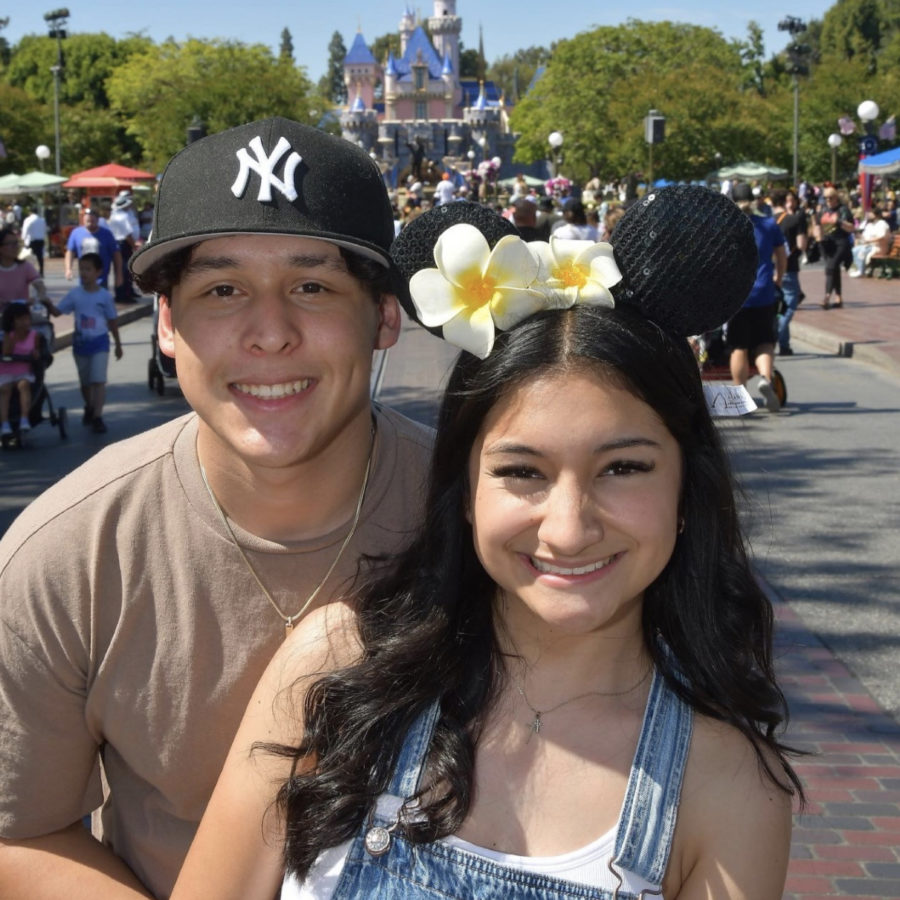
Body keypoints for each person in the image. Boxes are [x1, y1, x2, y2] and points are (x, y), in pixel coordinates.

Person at [169, 191, 800, 900]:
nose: (568, 528)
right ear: (464, 489)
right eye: (522, 472)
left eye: (623, 468)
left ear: (688, 488)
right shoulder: (339, 671)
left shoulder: (728, 787)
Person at [0, 117, 433, 898]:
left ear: (386, 317)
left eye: (313, 286)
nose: (270, 332)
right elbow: (19, 832)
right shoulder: (66, 556)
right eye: (222, 290)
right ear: (168, 323)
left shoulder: (487, 522)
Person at [728, 182, 787, 412]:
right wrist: (778, 280)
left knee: (738, 345)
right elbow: (782, 257)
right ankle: (765, 378)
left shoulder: (728, 229)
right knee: (764, 341)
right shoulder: (769, 224)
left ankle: (740, 399)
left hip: (737, 295)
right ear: (754, 200)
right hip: (763, 292)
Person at [50, 252, 123, 433]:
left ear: (98, 272)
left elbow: (112, 321)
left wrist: (118, 344)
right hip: (81, 344)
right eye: (81, 269)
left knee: (98, 380)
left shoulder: (104, 296)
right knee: (85, 383)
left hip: (100, 343)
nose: (83, 273)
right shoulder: (75, 295)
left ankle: (97, 416)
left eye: (88, 269)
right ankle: (89, 406)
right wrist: (44, 300)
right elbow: (58, 312)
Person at [771, 188, 808, 355]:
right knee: (789, 307)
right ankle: (775, 334)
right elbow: (801, 245)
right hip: (790, 267)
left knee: (780, 306)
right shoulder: (795, 220)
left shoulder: (768, 221)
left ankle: (785, 346)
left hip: (771, 268)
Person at [0, 302, 40, 435]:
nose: (24, 322)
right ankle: (4, 422)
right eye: (20, 319)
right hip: (7, 371)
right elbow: (6, 353)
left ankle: (24, 418)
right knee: (5, 389)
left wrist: (35, 354)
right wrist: (13, 337)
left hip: (23, 371)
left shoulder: (34, 335)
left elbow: (37, 352)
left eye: (26, 318)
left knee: (24, 385)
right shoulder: (9, 336)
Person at [64, 206, 123, 292]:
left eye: (92, 221)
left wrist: (119, 275)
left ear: (98, 220)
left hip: (101, 279)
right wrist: (68, 269)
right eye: (87, 221)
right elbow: (70, 252)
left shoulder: (106, 234)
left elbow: (116, 254)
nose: (90, 223)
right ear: (83, 220)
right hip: (84, 278)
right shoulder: (76, 233)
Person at [814, 186, 853, 308]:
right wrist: (818, 238)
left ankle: (826, 297)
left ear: (836, 197)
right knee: (834, 269)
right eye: (825, 198)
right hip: (827, 243)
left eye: (830, 197)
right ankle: (838, 297)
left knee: (830, 267)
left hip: (841, 242)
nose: (828, 200)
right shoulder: (823, 210)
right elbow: (816, 224)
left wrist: (839, 222)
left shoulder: (843, 210)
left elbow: (851, 227)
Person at [0, 225, 50, 315]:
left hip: (21, 318)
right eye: (11, 244)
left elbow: (40, 286)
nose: (16, 247)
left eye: (16, 243)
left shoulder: (25, 267)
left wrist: (38, 298)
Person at [108, 192, 142, 301]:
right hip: (123, 244)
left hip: (120, 244)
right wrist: (134, 245)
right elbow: (127, 234)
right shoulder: (123, 216)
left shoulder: (116, 215)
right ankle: (124, 294)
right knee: (124, 270)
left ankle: (126, 292)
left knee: (121, 270)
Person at [850, 204, 891, 277]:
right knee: (855, 250)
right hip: (870, 246)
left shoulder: (882, 224)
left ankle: (861, 271)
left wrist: (870, 241)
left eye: (870, 214)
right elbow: (865, 236)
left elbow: (882, 236)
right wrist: (860, 236)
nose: (868, 215)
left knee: (862, 251)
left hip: (879, 247)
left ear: (876, 215)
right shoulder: (870, 225)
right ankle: (860, 268)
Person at [21, 208, 48, 277]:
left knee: (30, 257)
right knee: (40, 257)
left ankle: (30, 271)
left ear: (30, 212)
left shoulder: (28, 220)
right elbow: (45, 229)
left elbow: (25, 230)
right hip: (40, 240)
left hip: (31, 240)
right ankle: (41, 271)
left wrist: (23, 239)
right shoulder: (42, 220)